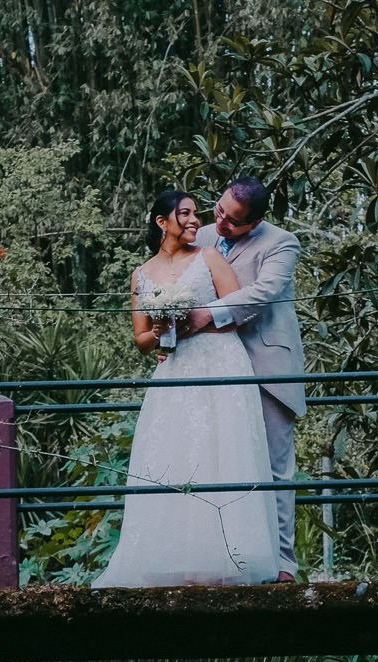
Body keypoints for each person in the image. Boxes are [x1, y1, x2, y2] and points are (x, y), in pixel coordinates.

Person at [93, 189, 283, 588]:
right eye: (186, 213)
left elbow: (238, 313)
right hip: (175, 369)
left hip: (221, 362)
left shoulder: (209, 257)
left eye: (197, 213)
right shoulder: (141, 274)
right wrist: (162, 328)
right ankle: (180, 559)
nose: (197, 220)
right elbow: (141, 340)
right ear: (162, 221)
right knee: (177, 453)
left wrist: (193, 321)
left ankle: (230, 560)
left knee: (223, 452)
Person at [185, 175, 305, 580]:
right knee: (215, 462)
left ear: (255, 222)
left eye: (233, 221)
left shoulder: (282, 243)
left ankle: (283, 565)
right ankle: (222, 560)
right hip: (212, 366)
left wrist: (207, 313)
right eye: (219, 210)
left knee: (275, 466)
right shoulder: (201, 235)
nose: (220, 223)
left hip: (266, 365)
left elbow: (264, 293)